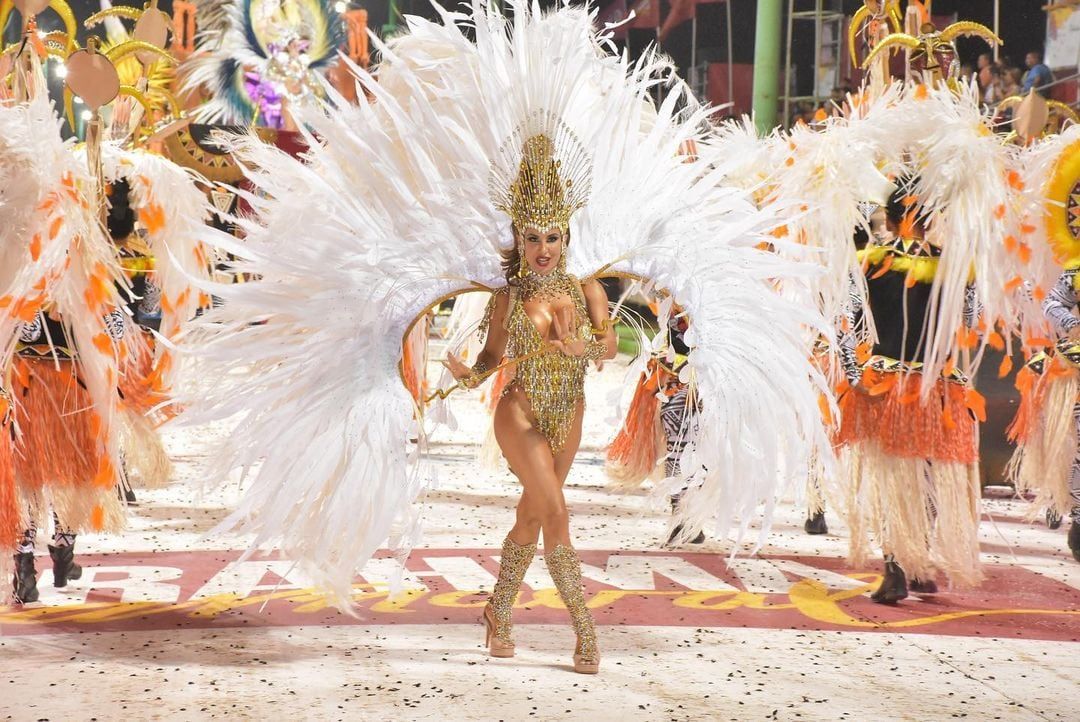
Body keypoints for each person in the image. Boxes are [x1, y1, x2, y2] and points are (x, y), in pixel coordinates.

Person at [444, 134, 618, 673]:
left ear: (566, 236)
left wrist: (580, 346)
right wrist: (466, 373)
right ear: (518, 237)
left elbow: (608, 345)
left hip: (570, 414)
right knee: (557, 512)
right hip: (518, 414)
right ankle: (585, 634)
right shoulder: (508, 296)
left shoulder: (587, 290)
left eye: (554, 236)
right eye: (533, 236)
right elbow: (491, 359)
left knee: (534, 512)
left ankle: (498, 610)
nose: (544, 246)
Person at [837, 179, 984, 604]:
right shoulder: (955, 266)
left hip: (885, 384)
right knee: (927, 477)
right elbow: (972, 323)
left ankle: (896, 569)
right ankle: (916, 563)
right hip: (938, 387)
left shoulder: (867, 262)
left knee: (890, 480)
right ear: (931, 218)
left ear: (891, 217)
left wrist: (853, 373)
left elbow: (847, 323)